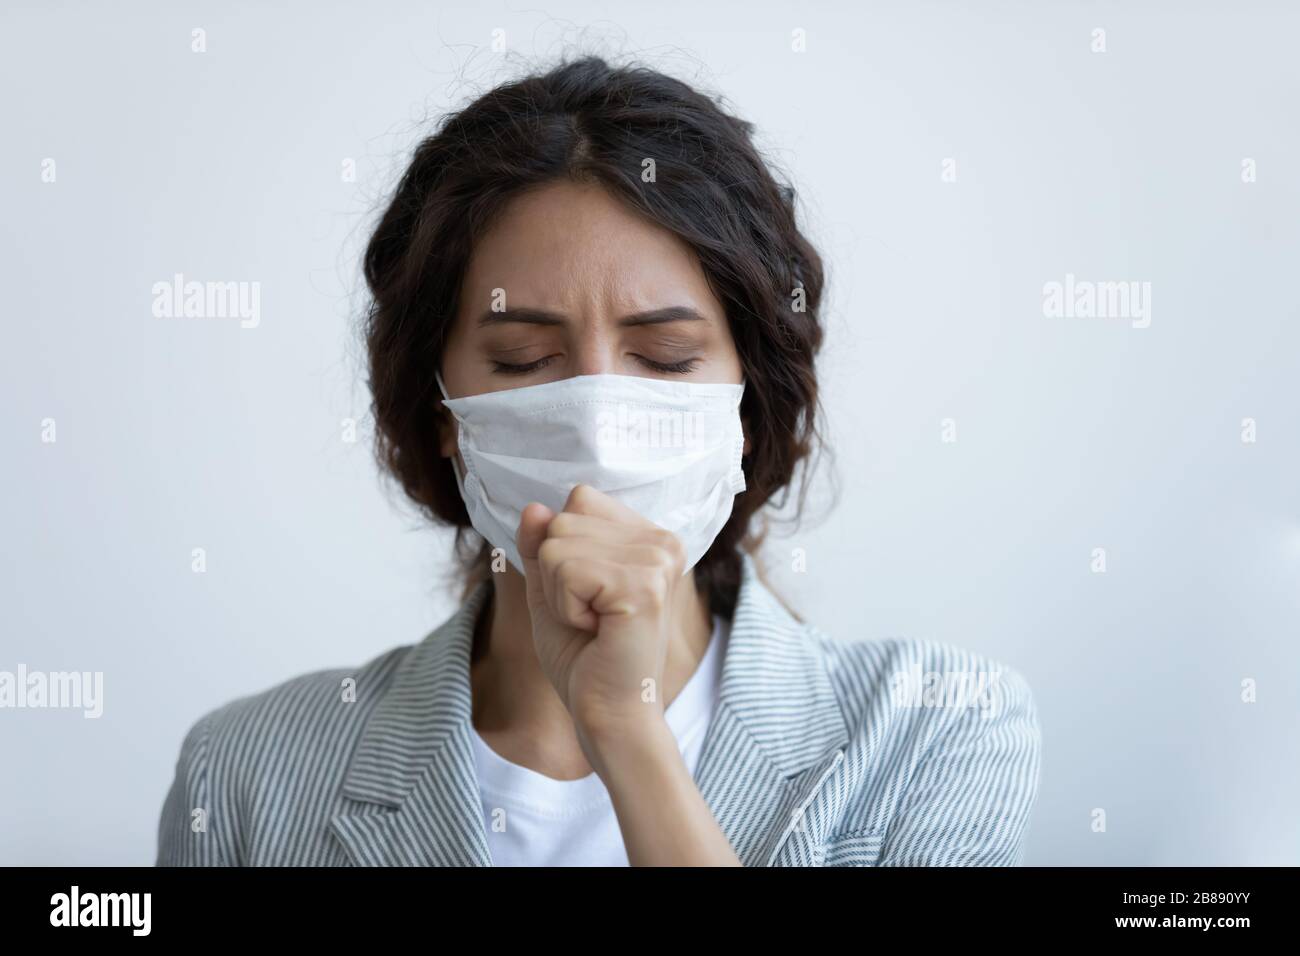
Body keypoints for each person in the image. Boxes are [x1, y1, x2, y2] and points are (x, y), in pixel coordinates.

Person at [156, 54, 1041, 867]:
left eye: (663, 361)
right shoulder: (245, 776)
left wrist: (627, 726)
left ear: (745, 406)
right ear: (440, 412)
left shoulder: (933, 727)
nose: (599, 427)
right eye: (523, 362)